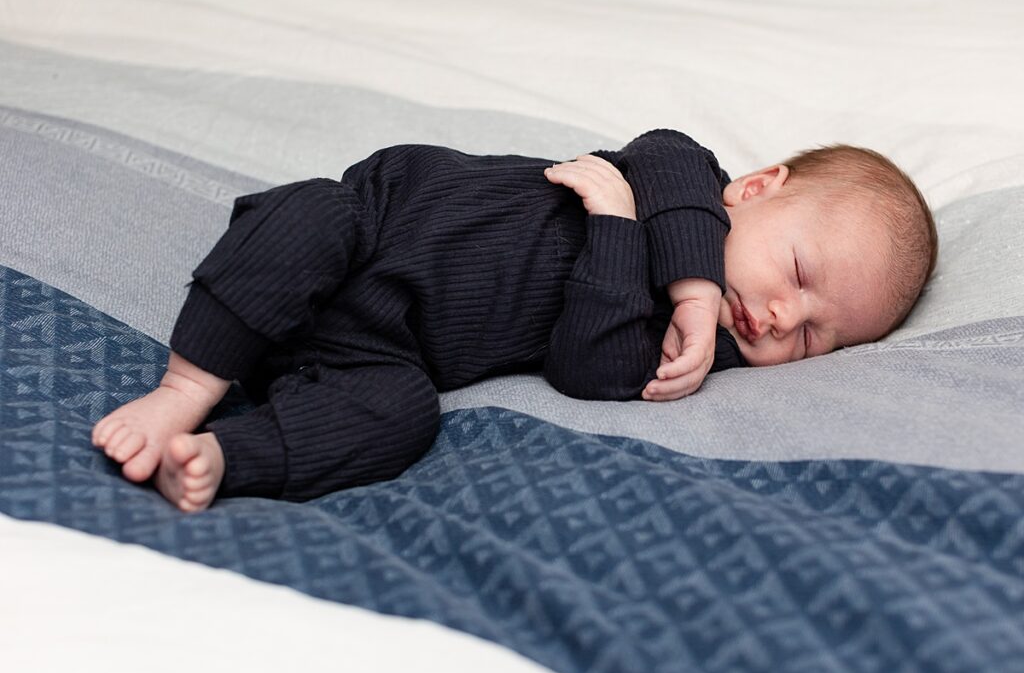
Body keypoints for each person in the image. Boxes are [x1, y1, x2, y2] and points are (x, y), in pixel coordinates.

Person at [91, 130, 937, 512]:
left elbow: (590, 368)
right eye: (798, 275)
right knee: (306, 216)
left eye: (817, 335)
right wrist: (692, 285)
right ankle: (185, 387)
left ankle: (226, 454)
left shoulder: (694, 355)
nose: (786, 316)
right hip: (369, 227)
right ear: (756, 189)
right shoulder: (687, 179)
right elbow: (664, 145)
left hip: (382, 345)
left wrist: (613, 232)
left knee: (402, 415)